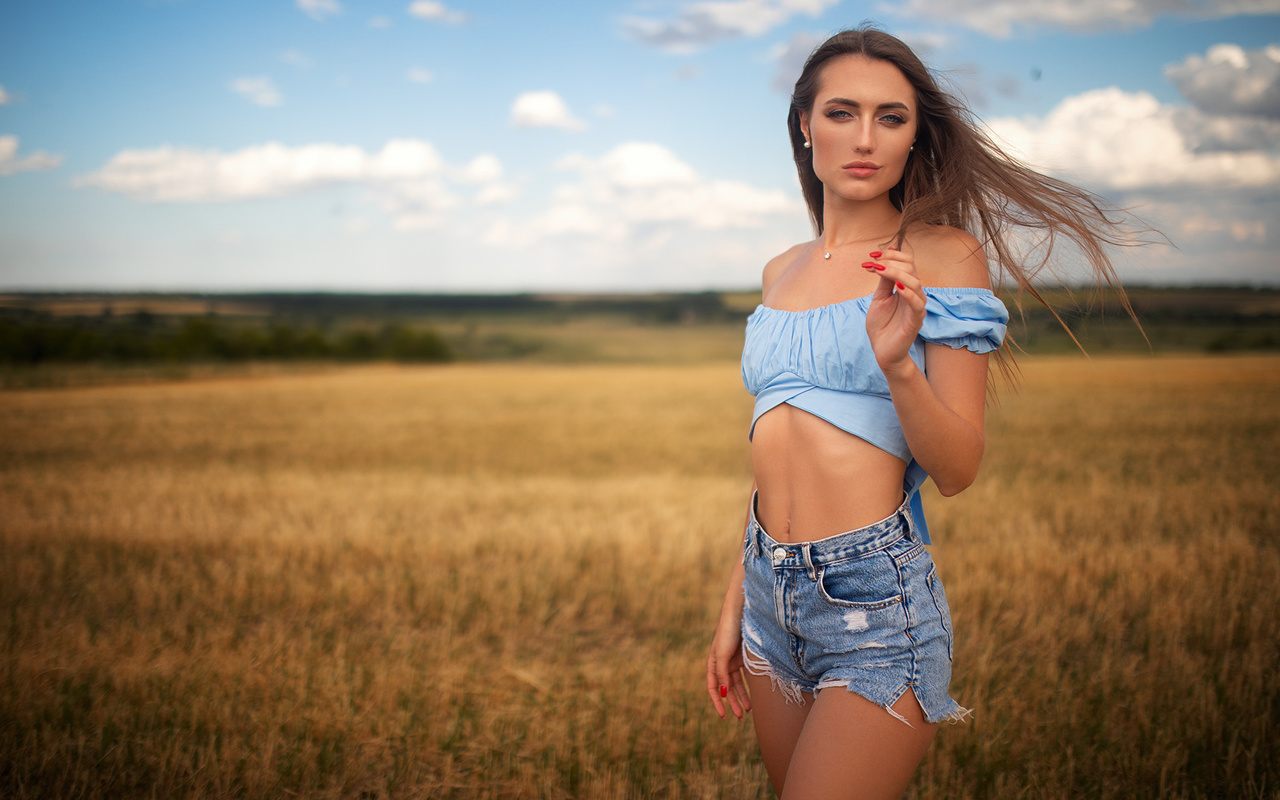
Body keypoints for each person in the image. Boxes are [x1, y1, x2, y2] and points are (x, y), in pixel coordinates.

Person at [705, 27, 1139, 799]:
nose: (865, 138)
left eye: (891, 117)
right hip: (772, 591)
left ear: (915, 135)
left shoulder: (942, 257)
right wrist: (737, 600)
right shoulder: (781, 270)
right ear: (804, 124)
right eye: (842, 113)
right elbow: (776, 450)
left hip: (873, 599)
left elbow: (959, 467)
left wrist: (899, 362)